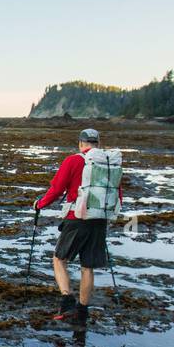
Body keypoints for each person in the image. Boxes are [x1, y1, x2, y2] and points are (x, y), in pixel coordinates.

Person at [33, 128, 121, 327]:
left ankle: (67, 302)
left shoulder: (73, 160)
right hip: (100, 220)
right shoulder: (108, 163)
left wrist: (40, 204)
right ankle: (82, 311)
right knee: (87, 267)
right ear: (98, 143)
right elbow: (118, 194)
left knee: (59, 259)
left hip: (77, 218)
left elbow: (57, 189)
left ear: (81, 143)